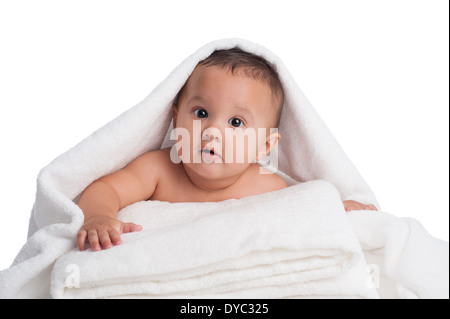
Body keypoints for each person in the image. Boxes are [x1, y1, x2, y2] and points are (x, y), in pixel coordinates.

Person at [77, 48, 377, 252]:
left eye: (236, 122)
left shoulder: (267, 185)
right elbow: (105, 189)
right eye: (201, 113)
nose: (212, 132)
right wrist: (99, 216)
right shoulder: (157, 170)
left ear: (265, 145)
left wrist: (345, 208)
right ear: (175, 118)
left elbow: (306, 213)